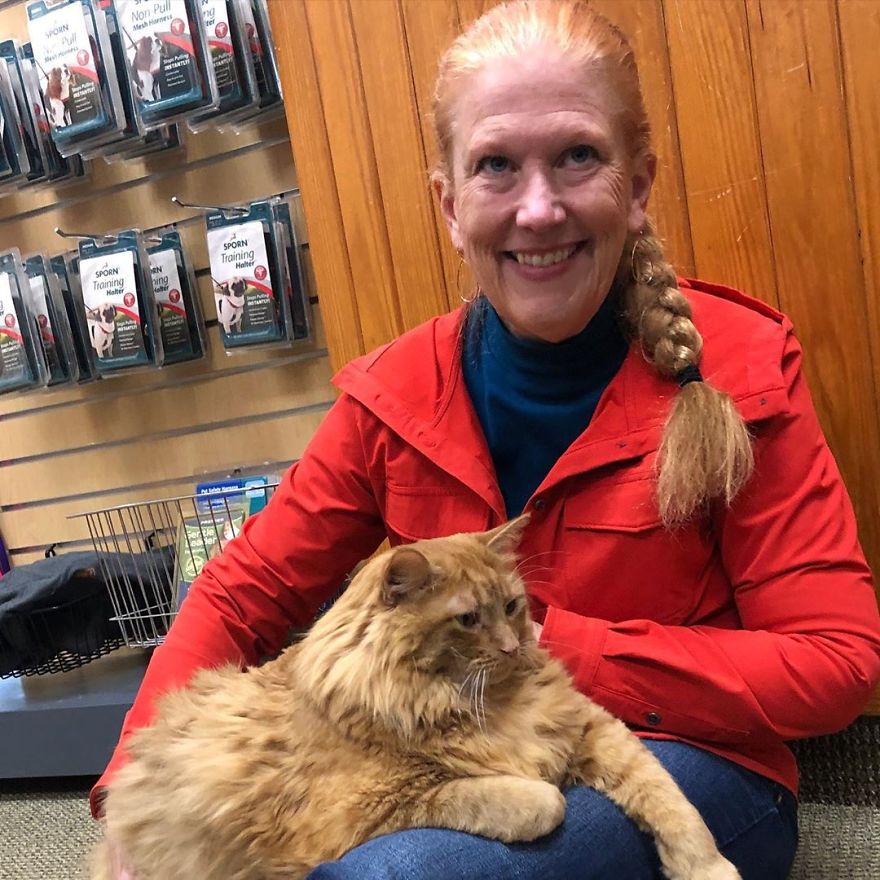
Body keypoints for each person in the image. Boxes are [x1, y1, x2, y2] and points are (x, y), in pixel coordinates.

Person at [97, 2, 880, 878]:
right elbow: (243, 592)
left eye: (578, 155)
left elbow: (834, 661)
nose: (538, 209)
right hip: (456, 745)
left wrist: (562, 643)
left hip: (691, 762)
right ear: (450, 203)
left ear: (640, 181)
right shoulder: (391, 395)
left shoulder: (740, 366)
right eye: (496, 166)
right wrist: (137, 790)